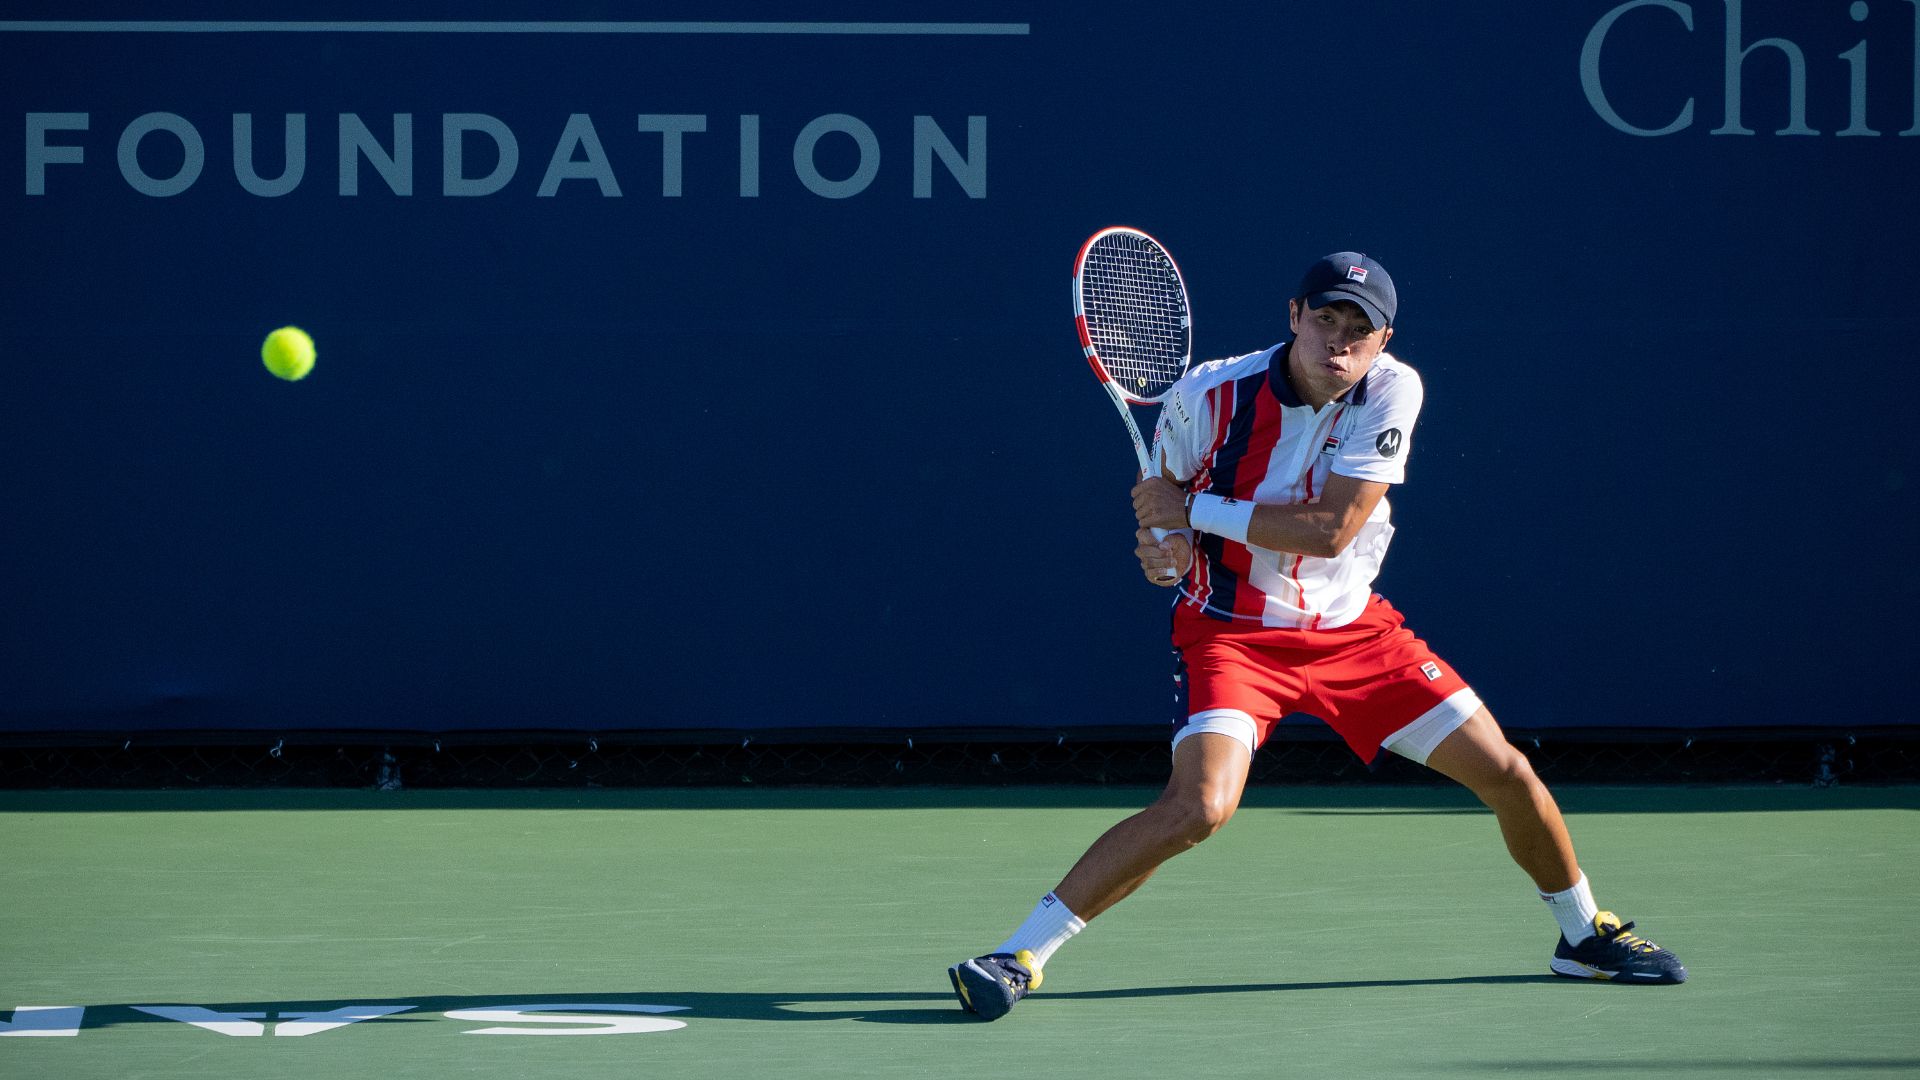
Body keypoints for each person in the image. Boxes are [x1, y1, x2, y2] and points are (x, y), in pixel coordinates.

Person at [947, 252, 1686, 1021]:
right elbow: (1166, 545)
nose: (1338, 340)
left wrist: (1188, 513)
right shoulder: (1206, 397)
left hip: (1353, 633)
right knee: (1199, 807)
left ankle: (1581, 937)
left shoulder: (1394, 389)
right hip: (1230, 636)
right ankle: (1017, 956)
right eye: (1325, 317)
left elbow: (1332, 532)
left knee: (1505, 770)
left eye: (1358, 329)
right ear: (1294, 315)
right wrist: (1163, 553)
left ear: (1382, 340)